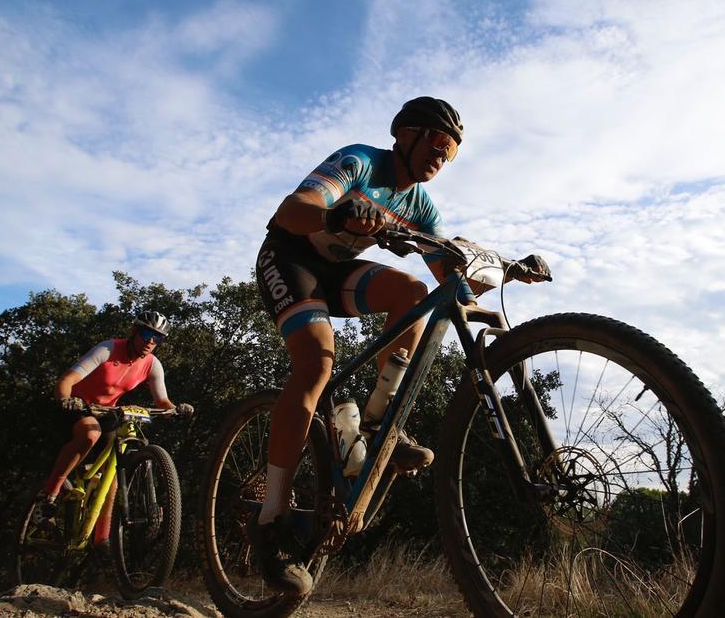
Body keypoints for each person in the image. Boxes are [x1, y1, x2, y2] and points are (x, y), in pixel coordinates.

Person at [252, 97, 550, 594]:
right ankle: (271, 521)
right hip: (290, 258)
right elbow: (291, 210)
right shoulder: (361, 161)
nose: (440, 157)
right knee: (316, 364)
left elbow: (450, 278)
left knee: (416, 294)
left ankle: (376, 420)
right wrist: (340, 212)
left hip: (338, 270)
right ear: (405, 134)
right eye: (435, 143)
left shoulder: (421, 206)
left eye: (450, 154)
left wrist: (508, 272)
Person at [36, 310, 192, 551]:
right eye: (147, 333)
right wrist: (66, 399)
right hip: (77, 406)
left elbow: (162, 401)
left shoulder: (152, 364)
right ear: (134, 331)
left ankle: (102, 537)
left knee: (116, 467)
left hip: (107, 412)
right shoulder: (108, 349)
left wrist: (176, 409)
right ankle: (49, 496)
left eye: (158, 338)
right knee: (91, 434)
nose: (151, 341)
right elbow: (66, 380)